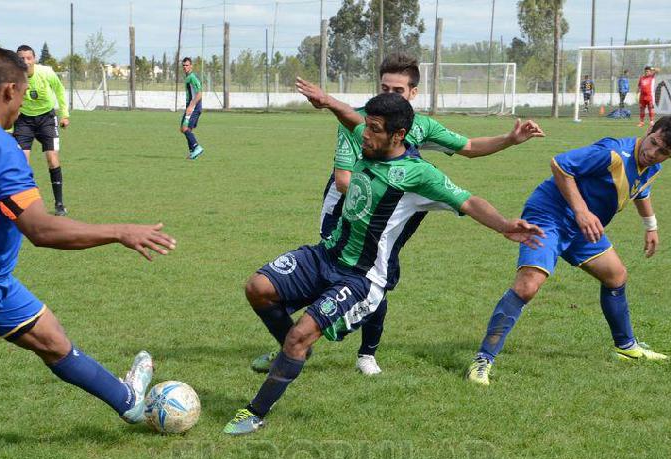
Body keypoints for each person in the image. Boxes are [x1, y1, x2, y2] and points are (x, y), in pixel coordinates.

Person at [222, 92, 546, 435]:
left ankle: (255, 412)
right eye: (367, 127)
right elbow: (353, 119)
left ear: (398, 135)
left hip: (361, 278)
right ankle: (295, 352)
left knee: (300, 336)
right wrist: (328, 102)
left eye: (374, 129)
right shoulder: (369, 140)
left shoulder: (419, 175)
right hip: (325, 255)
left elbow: (468, 200)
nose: (365, 134)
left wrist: (505, 226)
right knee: (258, 288)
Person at [250, 53, 547, 377]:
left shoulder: (421, 127)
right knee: (353, 276)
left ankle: (359, 351)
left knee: (377, 275)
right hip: (346, 211)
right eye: (384, 88)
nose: (389, 95)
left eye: (398, 90)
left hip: (393, 212)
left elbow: (469, 146)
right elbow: (344, 179)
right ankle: (296, 344)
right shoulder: (363, 123)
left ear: (413, 94)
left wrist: (510, 140)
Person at [0, 48, 179, 426]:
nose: (24, 103)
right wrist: (120, 232)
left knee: (53, 341)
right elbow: (41, 230)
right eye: (26, 93)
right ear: (10, 90)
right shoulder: (0, 150)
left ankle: (130, 403)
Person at [463, 113, 671, 386]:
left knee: (616, 276)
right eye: (653, 142)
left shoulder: (652, 167)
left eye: (662, 152)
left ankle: (626, 346)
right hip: (550, 216)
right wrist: (582, 211)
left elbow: (639, 189)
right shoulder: (612, 153)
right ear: (651, 130)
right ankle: (482, 360)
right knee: (527, 286)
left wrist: (651, 226)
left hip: (583, 229)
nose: (652, 152)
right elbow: (560, 164)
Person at [13, 45, 71, 216]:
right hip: (24, 120)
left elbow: (60, 90)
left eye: (28, 58)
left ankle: (59, 203)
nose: (25, 61)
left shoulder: (46, 73)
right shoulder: (13, 77)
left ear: (34, 59)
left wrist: (64, 115)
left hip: (46, 118)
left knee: (52, 159)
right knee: (22, 163)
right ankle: (26, 204)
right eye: (21, 58)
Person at [180, 57, 205, 160]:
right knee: (186, 129)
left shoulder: (192, 77)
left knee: (184, 128)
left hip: (194, 107)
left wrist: (190, 106)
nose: (185, 67)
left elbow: (199, 94)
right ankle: (193, 153)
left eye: (187, 65)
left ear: (191, 66)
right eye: (184, 65)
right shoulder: (188, 77)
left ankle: (197, 147)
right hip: (192, 106)